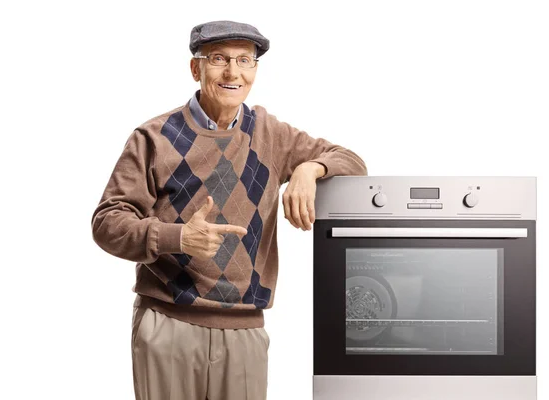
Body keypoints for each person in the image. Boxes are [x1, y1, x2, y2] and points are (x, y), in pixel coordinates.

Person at [91, 20, 367, 400]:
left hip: (245, 332)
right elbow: (108, 222)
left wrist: (309, 168)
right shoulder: (153, 137)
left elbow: (351, 161)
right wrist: (178, 237)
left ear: (255, 70)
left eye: (244, 60)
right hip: (168, 323)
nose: (233, 72)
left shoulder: (271, 135)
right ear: (196, 68)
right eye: (219, 59)